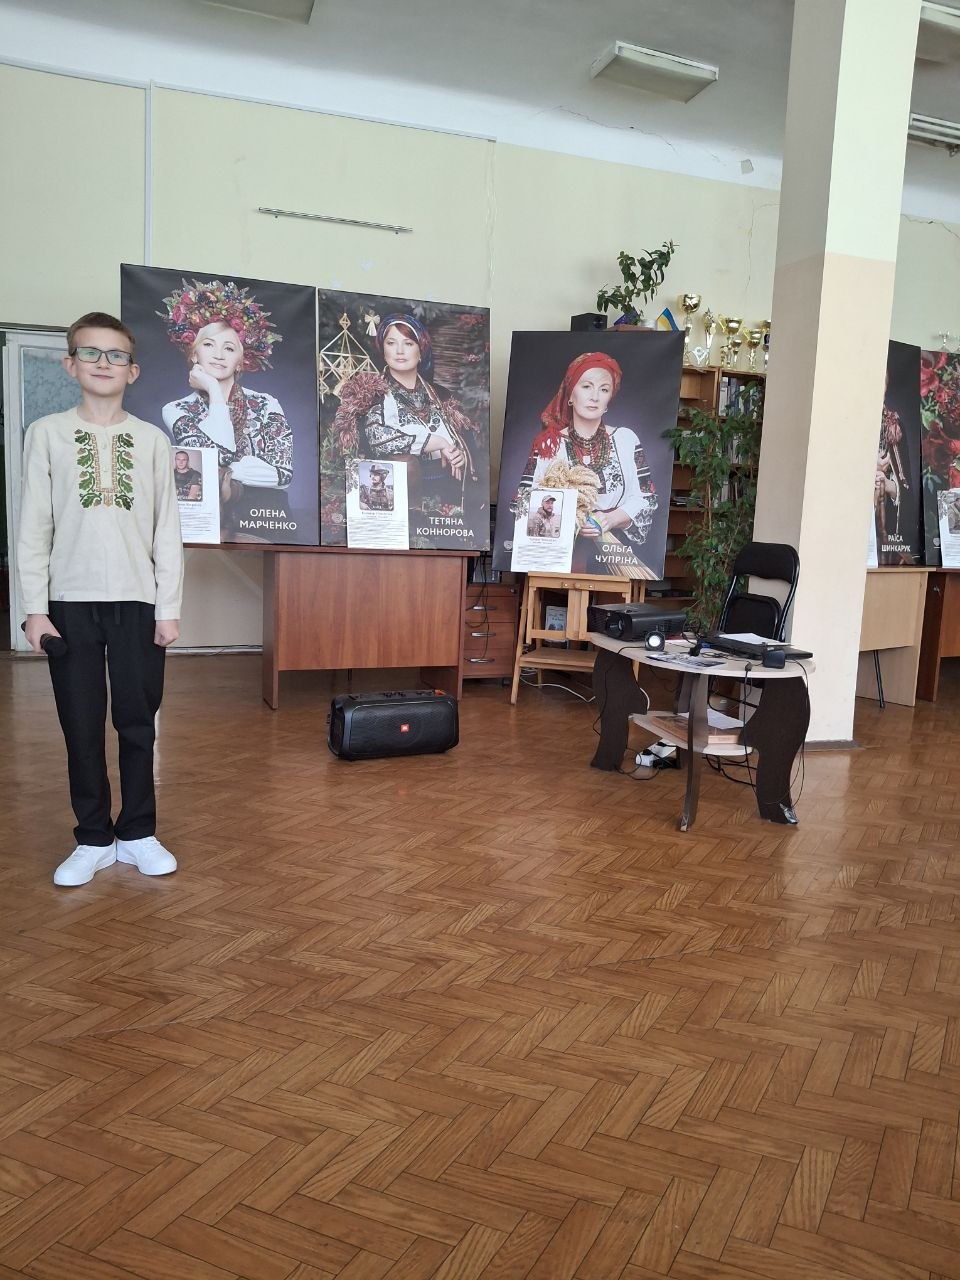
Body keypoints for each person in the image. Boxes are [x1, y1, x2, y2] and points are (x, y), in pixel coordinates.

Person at [18, 312, 183, 887]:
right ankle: (92, 837)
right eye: (90, 353)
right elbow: (33, 527)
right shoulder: (46, 434)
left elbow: (167, 530)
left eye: (115, 355)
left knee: (137, 723)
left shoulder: (153, 440)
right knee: (81, 724)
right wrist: (34, 610)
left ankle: (138, 832)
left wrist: (168, 608)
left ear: (132, 370)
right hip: (69, 602)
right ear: (71, 364)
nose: (103, 363)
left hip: (139, 603)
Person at [326, 313, 480, 539]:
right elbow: (378, 437)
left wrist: (459, 455)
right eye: (391, 343)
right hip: (396, 498)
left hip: (445, 495)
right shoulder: (370, 393)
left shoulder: (442, 395)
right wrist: (436, 442)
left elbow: (466, 441)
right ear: (383, 349)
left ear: (421, 350)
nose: (399, 351)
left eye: (408, 343)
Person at [159, 279, 292, 541]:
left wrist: (226, 472)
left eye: (229, 348)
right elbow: (215, 458)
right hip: (207, 520)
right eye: (209, 345)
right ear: (194, 353)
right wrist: (214, 390)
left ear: (240, 361)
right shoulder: (175, 409)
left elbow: (283, 475)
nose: (218, 354)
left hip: (266, 517)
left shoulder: (267, 403)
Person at [513, 351, 658, 576]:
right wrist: (572, 520)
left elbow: (646, 498)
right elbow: (524, 500)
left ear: (609, 399)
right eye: (587, 386)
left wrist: (611, 519)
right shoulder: (549, 444)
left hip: (614, 555)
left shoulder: (626, 440)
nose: (595, 397)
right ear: (570, 394)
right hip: (558, 558)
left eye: (604, 389)